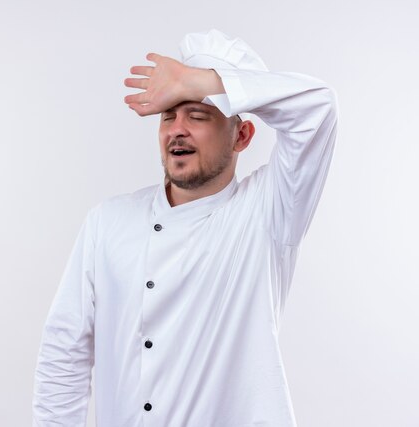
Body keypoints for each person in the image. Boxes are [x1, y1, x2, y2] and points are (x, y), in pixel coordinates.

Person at [33, 29, 338, 427]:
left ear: (242, 135)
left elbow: (318, 109)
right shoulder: (108, 222)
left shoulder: (268, 210)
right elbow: (64, 353)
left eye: (198, 115)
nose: (178, 128)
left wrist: (197, 81)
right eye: (168, 115)